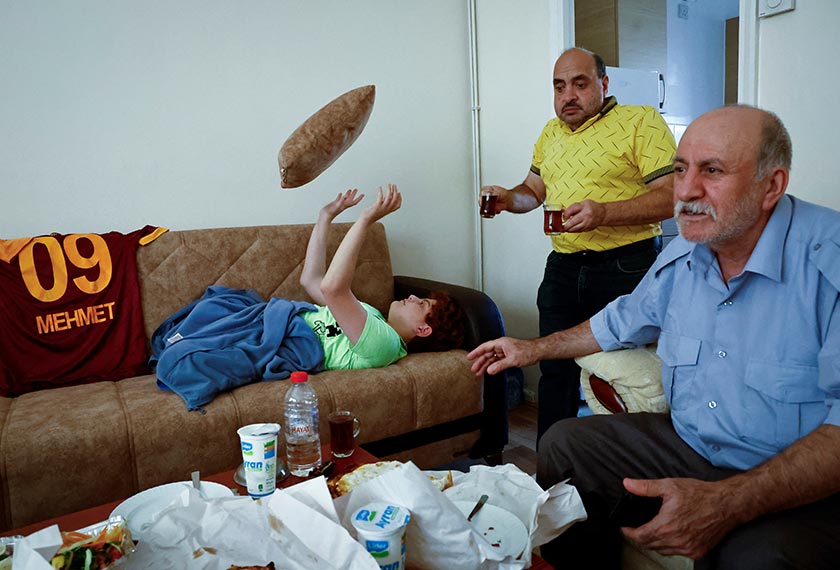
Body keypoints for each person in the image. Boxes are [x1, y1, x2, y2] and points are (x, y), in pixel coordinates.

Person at [468, 105, 840, 569]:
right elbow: (617, 322)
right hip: (693, 445)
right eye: (681, 169)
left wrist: (728, 502)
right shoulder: (687, 251)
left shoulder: (828, 263)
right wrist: (530, 349)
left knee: (756, 556)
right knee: (564, 445)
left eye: (713, 171)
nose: (686, 190)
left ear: (772, 185)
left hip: (791, 476)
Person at [480, 47, 676, 441]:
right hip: (564, 266)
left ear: (603, 84)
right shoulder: (550, 133)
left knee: (620, 372)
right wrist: (507, 199)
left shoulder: (641, 121)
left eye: (579, 84)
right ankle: (553, 466)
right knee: (555, 367)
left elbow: (673, 196)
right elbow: (533, 191)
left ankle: (623, 467)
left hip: (627, 265)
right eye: (559, 86)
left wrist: (604, 213)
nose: (568, 95)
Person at [300, 183, 465, 369]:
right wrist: (325, 217)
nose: (413, 297)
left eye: (421, 304)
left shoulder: (386, 345)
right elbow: (311, 280)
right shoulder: (372, 315)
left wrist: (364, 221)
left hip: (274, 339)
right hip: (276, 319)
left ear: (423, 329)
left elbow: (332, 288)